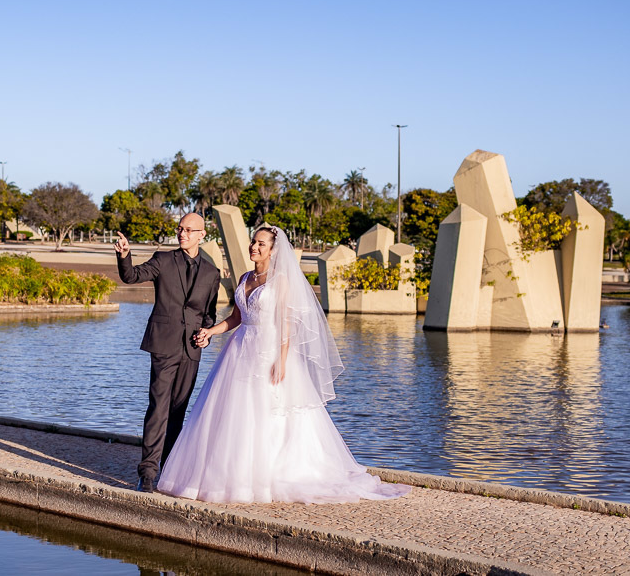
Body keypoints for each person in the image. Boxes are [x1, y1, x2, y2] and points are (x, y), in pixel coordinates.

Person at [157, 225, 410, 504]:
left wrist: (283, 359)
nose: (255, 247)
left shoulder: (281, 281)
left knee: (268, 414)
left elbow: (285, 323)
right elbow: (237, 317)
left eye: (261, 244)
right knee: (233, 413)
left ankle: (267, 478)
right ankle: (228, 477)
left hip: (268, 351)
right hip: (239, 349)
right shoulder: (245, 277)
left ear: (274, 250)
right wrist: (211, 331)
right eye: (254, 241)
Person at [115, 213, 221, 493]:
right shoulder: (163, 260)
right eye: (180, 228)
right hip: (163, 345)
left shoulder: (212, 273)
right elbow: (131, 276)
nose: (182, 233)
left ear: (202, 234)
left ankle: (170, 469)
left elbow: (208, 315)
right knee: (158, 408)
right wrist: (125, 255)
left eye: (189, 230)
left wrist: (206, 336)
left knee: (178, 411)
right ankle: (148, 473)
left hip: (191, 349)